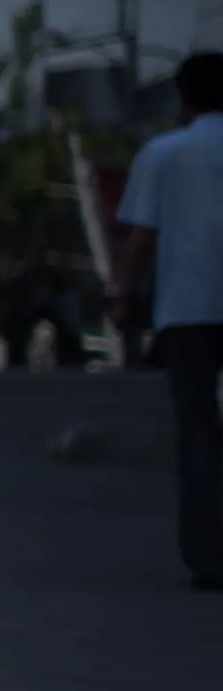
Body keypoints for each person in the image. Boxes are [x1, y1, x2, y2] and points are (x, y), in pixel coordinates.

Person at [118, 50, 223, 589]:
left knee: (199, 434)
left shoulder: (163, 152)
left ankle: (209, 557)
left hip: (188, 309)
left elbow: (140, 240)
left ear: (183, 98)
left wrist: (122, 298)